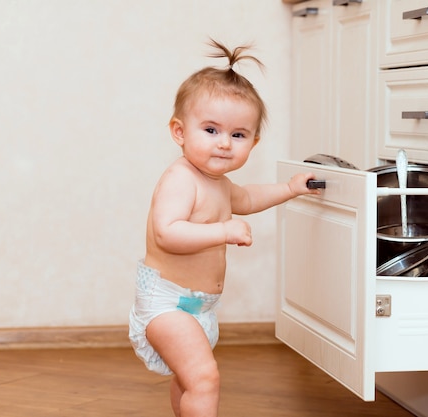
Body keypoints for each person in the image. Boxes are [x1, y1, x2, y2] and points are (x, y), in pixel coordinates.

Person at [128, 39, 320, 417]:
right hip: (166, 303)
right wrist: (224, 232)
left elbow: (247, 198)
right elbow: (168, 233)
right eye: (211, 130)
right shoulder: (180, 179)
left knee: (188, 379)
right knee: (204, 378)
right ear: (180, 132)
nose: (224, 145)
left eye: (238, 135)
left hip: (198, 306)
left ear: (254, 142)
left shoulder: (218, 182)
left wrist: (289, 189)